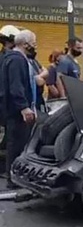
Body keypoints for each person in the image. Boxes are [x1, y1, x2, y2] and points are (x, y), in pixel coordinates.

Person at [0, 30, 38, 189]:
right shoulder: (16, 60)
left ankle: (13, 177)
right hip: (16, 112)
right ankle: (14, 180)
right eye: (34, 43)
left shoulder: (12, 58)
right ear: (25, 44)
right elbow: (16, 86)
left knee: (15, 143)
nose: (35, 46)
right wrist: (24, 108)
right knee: (17, 144)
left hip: (12, 109)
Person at [27, 48, 48, 113]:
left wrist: (38, 76)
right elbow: (39, 82)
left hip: (39, 97)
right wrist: (40, 77)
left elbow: (46, 72)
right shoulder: (25, 62)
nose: (35, 48)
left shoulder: (34, 61)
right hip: (32, 98)